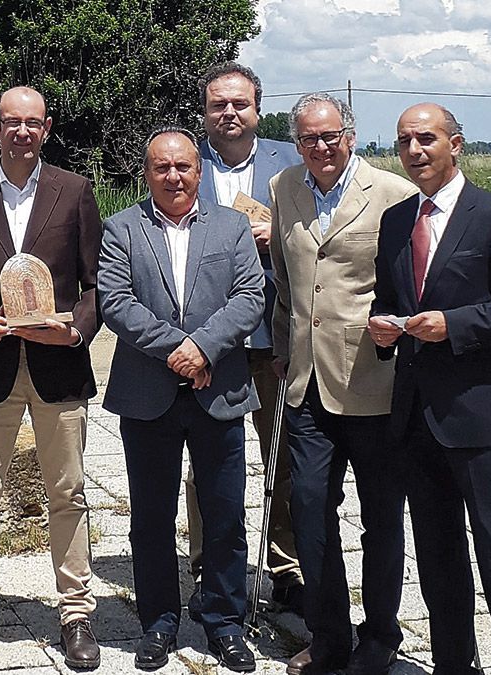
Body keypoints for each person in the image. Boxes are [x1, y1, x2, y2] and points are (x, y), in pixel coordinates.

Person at [369, 103, 491, 674]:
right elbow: (390, 300)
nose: (414, 151)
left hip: (480, 414)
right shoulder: (397, 220)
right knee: (439, 556)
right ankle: (455, 663)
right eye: (403, 141)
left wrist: (458, 325)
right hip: (415, 415)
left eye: (426, 138)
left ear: (457, 144)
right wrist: (383, 329)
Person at [0, 85, 102, 673]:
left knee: (69, 492)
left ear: (47, 127)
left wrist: (77, 330)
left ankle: (77, 612)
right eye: (12, 122)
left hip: (59, 366)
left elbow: (95, 281)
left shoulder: (75, 190)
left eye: (33, 123)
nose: (22, 132)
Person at [99, 127, 265, 672]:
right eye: (160, 167)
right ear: (145, 172)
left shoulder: (233, 225)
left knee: (224, 513)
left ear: (199, 170)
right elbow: (116, 303)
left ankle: (223, 621)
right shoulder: (121, 228)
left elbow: (250, 297)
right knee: (150, 515)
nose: (173, 176)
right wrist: (181, 349)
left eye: (183, 167)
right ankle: (159, 622)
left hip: (218, 391)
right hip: (148, 393)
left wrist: (205, 350)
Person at [268, 94, 416, 675]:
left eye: (330, 137)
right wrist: (283, 351)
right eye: (308, 139)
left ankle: (380, 635)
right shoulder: (285, 187)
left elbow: (408, 285)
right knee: (308, 510)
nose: (320, 149)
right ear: (296, 142)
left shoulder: (392, 194)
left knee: (382, 516)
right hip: (306, 385)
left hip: (373, 383)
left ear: (350, 136)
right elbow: (284, 281)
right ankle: (328, 635)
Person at [188, 62, 304, 613]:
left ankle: (288, 567)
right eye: (218, 105)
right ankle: (208, 565)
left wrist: (275, 235)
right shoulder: (185, 164)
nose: (229, 113)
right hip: (212, 338)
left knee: (285, 456)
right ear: (204, 112)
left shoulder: (295, 160)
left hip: (279, 335)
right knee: (207, 459)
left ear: (259, 108)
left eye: (240, 104)